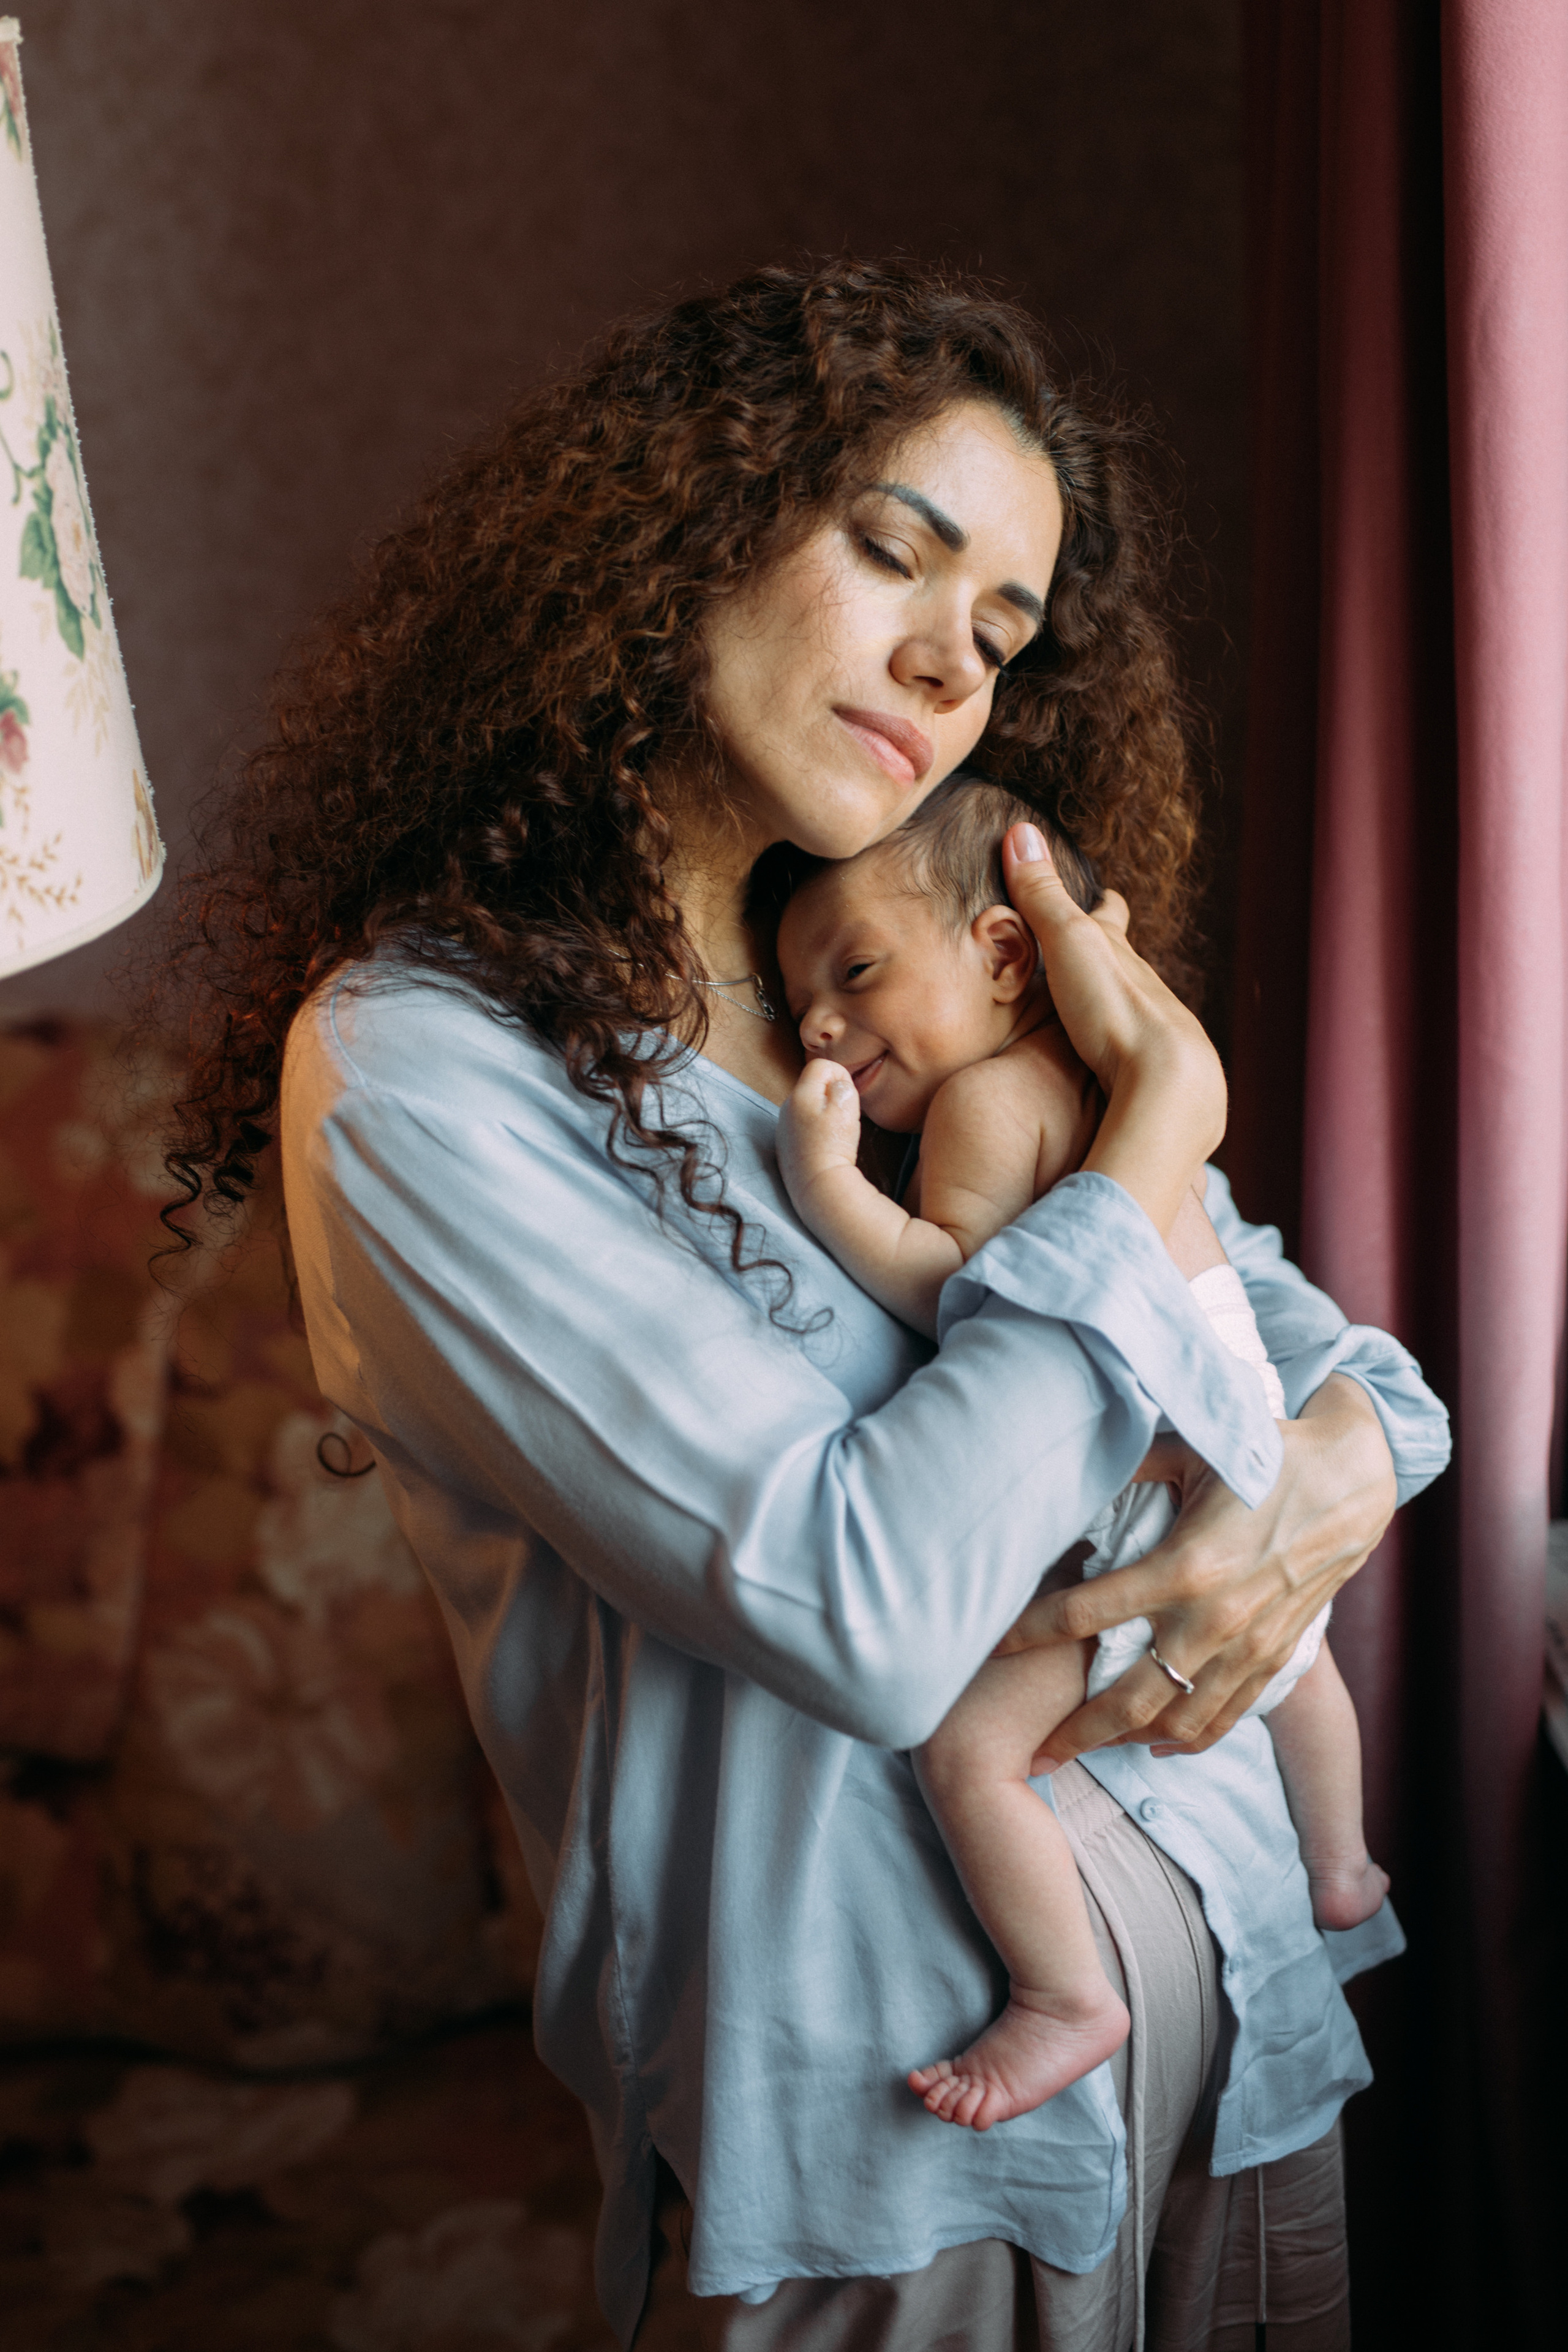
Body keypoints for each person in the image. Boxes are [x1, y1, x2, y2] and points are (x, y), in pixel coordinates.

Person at [157, 260, 1450, 2350]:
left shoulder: (899, 1003)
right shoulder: (422, 1068)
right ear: (684, 531)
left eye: (1005, 636)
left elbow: (1333, 1364)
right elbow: (863, 1611)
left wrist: (1326, 1475)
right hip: (888, 2158)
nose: (953, 662)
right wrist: (1157, 1125)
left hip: (1235, 2021)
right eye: (894, 555)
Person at [772, 773, 1391, 2135]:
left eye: (857, 972)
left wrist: (822, 1189)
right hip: (1244, 1440)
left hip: (1128, 1474)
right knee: (1294, 1658)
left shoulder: (983, 1105)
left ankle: (1063, 1996)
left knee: (969, 1762)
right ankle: (1340, 1865)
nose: (819, 1023)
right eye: (797, 1000)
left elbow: (952, 1288)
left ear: (1003, 949)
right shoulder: (1106, 1076)